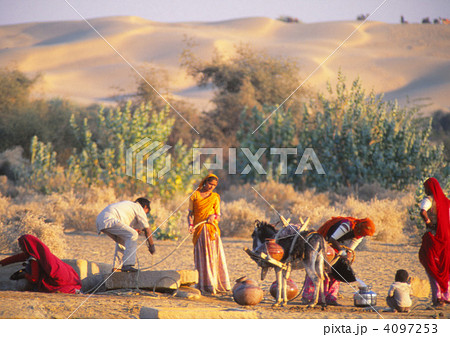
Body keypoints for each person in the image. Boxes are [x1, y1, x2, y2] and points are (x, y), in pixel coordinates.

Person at [302, 216, 376, 305]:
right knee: (317, 270)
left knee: (338, 270)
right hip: (322, 242)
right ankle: (309, 297)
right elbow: (332, 239)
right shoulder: (347, 225)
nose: (363, 236)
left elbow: (351, 248)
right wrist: (342, 252)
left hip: (336, 247)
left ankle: (330, 298)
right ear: (360, 228)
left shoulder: (360, 234)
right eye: (364, 234)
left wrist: (347, 257)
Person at [187, 173, 231, 294]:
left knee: (213, 257)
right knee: (202, 257)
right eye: (210, 184)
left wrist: (214, 216)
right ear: (205, 182)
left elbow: (219, 216)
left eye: (214, 185)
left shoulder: (215, 197)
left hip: (211, 230)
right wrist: (190, 226)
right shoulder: (195, 195)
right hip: (199, 231)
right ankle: (203, 284)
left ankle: (215, 284)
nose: (212, 187)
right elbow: (190, 214)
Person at [0, 234, 82, 294]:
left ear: (27, 246)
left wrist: (24, 275)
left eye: (22, 246)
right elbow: (17, 258)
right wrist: (2, 263)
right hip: (70, 276)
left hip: (58, 280)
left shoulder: (34, 259)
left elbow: (34, 279)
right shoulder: (39, 252)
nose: (21, 248)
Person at [96, 197, 155, 272]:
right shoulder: (138, 207)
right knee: (133, 235)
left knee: (124, 240)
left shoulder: (128, 206)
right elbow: (147, 229)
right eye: (147, 212)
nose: (145, 214)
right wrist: (151, 245)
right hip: (110, 219)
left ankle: (117, 268)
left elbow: (125, 227)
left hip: (101, 219)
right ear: (145, 207)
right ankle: (127, 264)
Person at [418, 177, 450, 307]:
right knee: (445, 266)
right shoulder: (446, 202)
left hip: (433, 238)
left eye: (425, 187)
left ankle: (437, 297)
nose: (424, 190)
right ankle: (447, 295)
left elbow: (423, 211)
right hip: (446, 239)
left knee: (431, 265)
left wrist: (428, 222)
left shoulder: (428, 200)